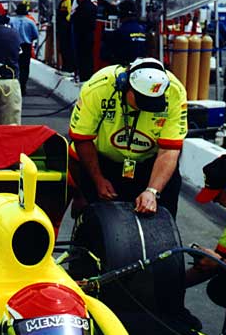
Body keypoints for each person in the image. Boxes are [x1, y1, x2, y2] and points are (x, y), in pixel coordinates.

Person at [68, 57, 188, 220]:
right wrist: (98, 179)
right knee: (97, 221)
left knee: (162, 217)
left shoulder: (175, 92)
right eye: (142, 101)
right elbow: (81, 138)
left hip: (149, 163)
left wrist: (152, 191)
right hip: (103, 161)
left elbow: (169, 150)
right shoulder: (98, 87)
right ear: (125, 86)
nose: (146, 108)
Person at [186, 154, 226, 320]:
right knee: (221, 287)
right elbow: (221, 257)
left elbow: (223, 262)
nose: (215, 202)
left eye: (216, 196)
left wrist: (220, 262)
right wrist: (170, 285)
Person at [100, 0, 147, 65]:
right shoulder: (142, 30)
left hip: (125, 68)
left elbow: (106, 55)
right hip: (141, 66)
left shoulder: (120, 32)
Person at [9, 3, 38, 96]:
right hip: (26, 46)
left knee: (14, 65)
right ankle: (23, 87)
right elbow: (35, 35)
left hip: (15, 45)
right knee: (25, 67)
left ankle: (15, 86)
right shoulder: (30, 22)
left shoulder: (11, 21)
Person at [70, 0, 97, 82]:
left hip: (82, 37)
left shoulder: (83, 8)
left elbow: (76, 20)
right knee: (88, 58)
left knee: (82, 59)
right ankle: (86, 76)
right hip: (89, 36)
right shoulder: (92, 6)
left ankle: (83, 77)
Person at [56, 0, 74, 73]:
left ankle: (68, 68)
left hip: (66, 28)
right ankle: (64, 67)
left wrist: (65, 25)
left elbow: (68, 14)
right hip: (63, 28)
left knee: (67, 49)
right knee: (63, 49)